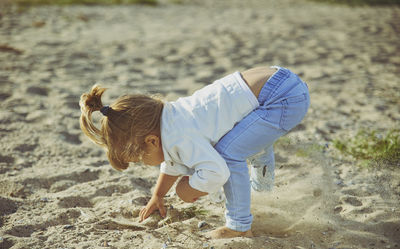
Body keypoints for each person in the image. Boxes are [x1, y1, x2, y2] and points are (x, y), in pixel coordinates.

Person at [79, 66, 310, 239]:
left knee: (229, 153)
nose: (144, 162)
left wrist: (185, 190)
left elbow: (217, 172)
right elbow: (171, 162)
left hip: (281, 99)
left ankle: (238, 227)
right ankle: (263, 187)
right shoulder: (171, 120)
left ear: (151, 141)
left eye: (139, 158)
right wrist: (158, 195)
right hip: (279, 81)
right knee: (241, 141)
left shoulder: (180, 137)